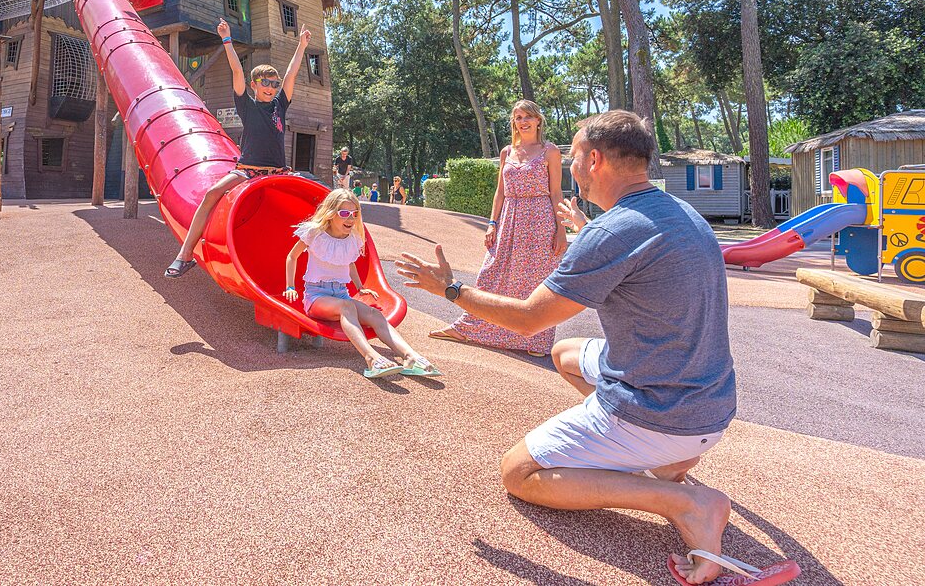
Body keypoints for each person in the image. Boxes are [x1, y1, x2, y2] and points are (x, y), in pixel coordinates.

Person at [395, 111, 799, 586]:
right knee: (565, 352)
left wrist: (451, 290)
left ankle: (687, 502)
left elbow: (528, 320)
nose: (569, 164)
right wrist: (587, 229)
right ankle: (656, 462)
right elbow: (631, 253)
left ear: (595, 159)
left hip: (663, 412)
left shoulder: (612, 233)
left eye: (572, 156)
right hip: (712, 403)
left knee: (518, 472)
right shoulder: (676, 211)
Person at [166, 17, 311, 278]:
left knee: (314, 193)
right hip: (248, 170)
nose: (271, 87)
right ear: (254, 85)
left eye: (274, 84)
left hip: (278, 172)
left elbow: (292, 73)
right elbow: (236, 72)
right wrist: (227, 39)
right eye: (265, 83)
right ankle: (185, 254)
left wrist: (301, 45)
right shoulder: (248, 105)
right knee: (212, 193)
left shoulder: (280, 105)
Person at [430, 100, 566, 355]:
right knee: (493, 273)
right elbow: (500, 193)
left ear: (538, 120)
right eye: (517, 117)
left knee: (536, 279)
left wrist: (561, 230)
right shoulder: (506, 153)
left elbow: (556, 193)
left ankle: (536, 341)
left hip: (539, 220)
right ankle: (466, 328)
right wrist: (492, 223)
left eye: (527, 116)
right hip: (508, 219)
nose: (523, 121)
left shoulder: (550, 151)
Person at [284, 189, 441, 379]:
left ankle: (411, 357)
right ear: (331, 214)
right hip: (317, 297)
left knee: (375, 314)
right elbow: (292, 257)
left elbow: (349, 264)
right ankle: (372, 359)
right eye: (344, 213)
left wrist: (360, 287)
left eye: (354, 213)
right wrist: (290, 286)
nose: (350, 218)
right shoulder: (314, 233)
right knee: (347, 306)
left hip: (341, 294)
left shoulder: (353, 239)